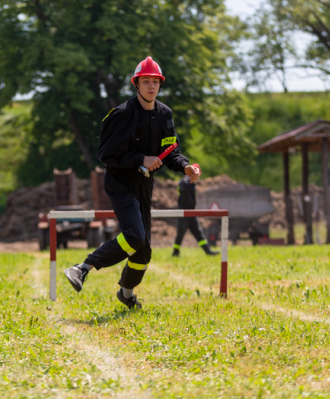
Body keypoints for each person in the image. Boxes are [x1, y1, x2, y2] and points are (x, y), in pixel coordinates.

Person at [64, 57, 201, 309]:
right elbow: (105, 155)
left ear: (160, 85)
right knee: (135, 237)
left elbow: (171, 150)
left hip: (144, 185)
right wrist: (141, 158)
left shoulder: (165, 114)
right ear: (136, 84)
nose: (151, 86)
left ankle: (126, 294)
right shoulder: (121, 115)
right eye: (145, 81)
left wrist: (185, 166)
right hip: (119, 182)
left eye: (155, 82)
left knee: (143, 251)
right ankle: (82, 267)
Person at [173, 175, 218, 257]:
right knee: (180, 233)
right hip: (184, 213)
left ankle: (207, 251)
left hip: (191, 213)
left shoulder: (191, 183)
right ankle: (175, 251)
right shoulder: (185, 181)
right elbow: (183, 187)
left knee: (198, 232)